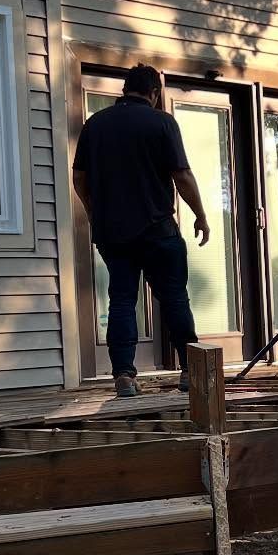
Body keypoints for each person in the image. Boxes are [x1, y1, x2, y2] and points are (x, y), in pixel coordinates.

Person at [72, 65, 211, 398]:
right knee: (175, 298)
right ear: (154, 93)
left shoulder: (96, 124)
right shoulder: (162, 122)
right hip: (158, 229)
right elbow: (182, 175)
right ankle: (191, 372)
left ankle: (123, 375)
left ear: (124, 89)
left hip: (114, 232)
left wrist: (94, 212)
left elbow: (78, 178)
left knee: (121, 300)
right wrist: (201, 215)